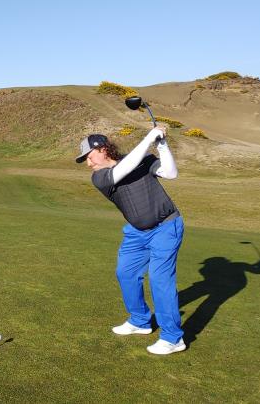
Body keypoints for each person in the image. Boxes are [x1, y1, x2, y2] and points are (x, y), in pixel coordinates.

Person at [75, 126, 185, 355]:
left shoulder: (141, 159)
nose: (88, 163)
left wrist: (162, 145)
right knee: (125, 273)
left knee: (160, 280)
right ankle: (140, 320)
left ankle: (173, 338)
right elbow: (124, 168)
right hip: (136, 233)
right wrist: (149, 138)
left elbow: (170, 173)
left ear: (103, 149)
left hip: (166, 227)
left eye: (89, 156)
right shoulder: (100, 177)